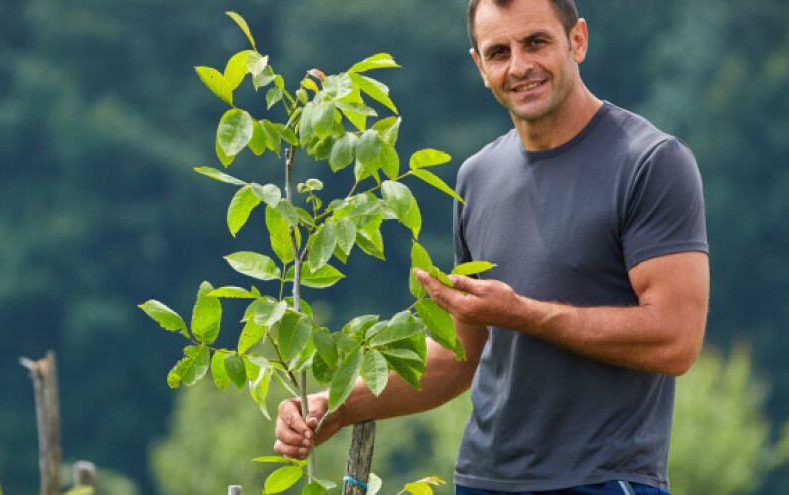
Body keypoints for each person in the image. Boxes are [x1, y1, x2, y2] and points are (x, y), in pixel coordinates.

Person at [274, 0, 710, 493]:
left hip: (602, 480)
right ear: (480, 67)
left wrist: (523, 313)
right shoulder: (477, 176)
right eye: (499, 51)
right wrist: (336, 405)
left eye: (536, 42)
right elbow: (461, 356)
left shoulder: (650, 162)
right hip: (483, 481)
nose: (520, 66)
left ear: (578, 40)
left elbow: (676, 340)